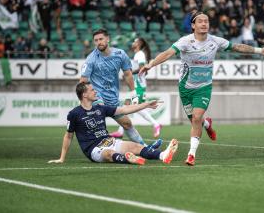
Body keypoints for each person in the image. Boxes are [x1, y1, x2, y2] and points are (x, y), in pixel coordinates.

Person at [139, 11, 264, 166]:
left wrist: (260, 50)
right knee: (196, 121)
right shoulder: (185, 42)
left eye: (206, 21)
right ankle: (207, 124)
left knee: (196, 118)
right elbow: (167, 53)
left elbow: (236, 47)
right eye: (200, 21)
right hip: (185, 87)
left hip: (204, 87)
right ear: (193, 25)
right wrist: (151, 64)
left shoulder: (215, 41)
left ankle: (191, 154)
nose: (204, 24)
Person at [48, 82, 178, 165]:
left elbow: (125, 109)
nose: (95, 91)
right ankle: (127, 159)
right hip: (94, 149)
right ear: (84, 94)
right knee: (108, 154)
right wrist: (62, 158)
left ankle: (163, 155)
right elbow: (68, 136)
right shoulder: (74, 113)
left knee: (136, 146)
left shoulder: (100, 108)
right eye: (92, 90)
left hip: (109, 141)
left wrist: (146, 105)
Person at [80, 29, 159, 149]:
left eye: (101, 39)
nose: (98, 42)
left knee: (127, 124)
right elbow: (83, 81)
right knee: (98, 125)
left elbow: (128, 74)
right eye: (96, 40)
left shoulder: (120, 54)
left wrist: (133, 93)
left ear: (108, 39)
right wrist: (86, 98)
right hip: (97, 98)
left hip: (112, 98)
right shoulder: (91, 59)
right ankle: (100, 151)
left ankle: (144, 148)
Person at [110, 38, 162, 138]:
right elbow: (144, 70)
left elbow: (142, 68)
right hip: (136, 86)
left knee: (132, 107)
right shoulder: (138, 54)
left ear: (138, 44)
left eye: (134, 41)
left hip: (139, 87)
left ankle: (155, 124)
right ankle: (120, 131)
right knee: (127, 106)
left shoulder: (140, 54)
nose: (133, 43)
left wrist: (128, 73)